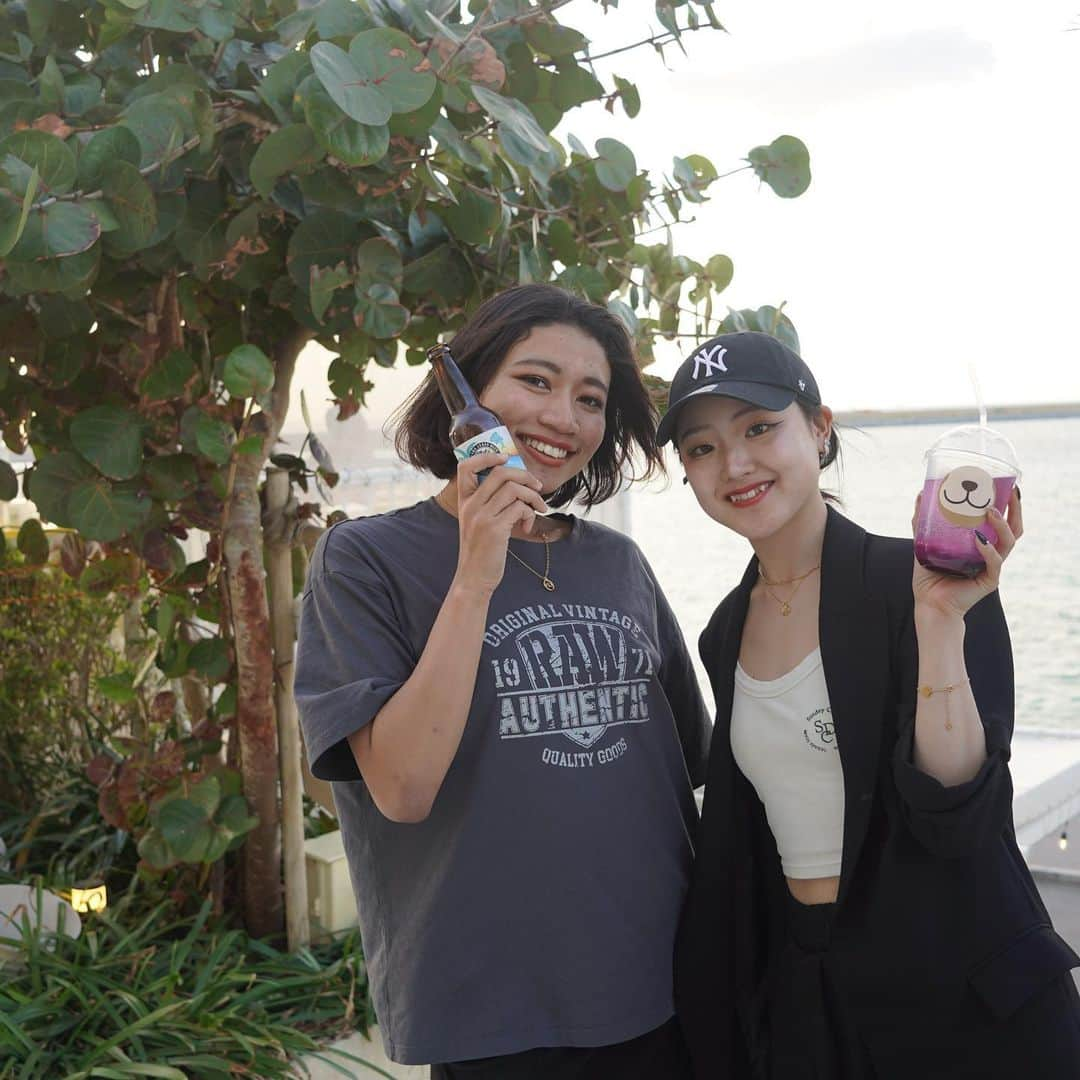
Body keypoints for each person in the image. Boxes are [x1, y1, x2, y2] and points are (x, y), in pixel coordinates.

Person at [294, 284, 710, 1078]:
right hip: (493, 1011)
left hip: (662, 987)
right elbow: (403, 787)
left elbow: (685, 773)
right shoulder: (364, 562)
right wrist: (475, 576)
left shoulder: (617, 563)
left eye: (591, 399)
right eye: (536, 381)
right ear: (468, 394)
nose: (563, 417)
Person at [665, 331, 1080, 1079]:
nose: (735, 464)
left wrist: (940, 624)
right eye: (701, 448)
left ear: (820, 430)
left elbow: (958, 815)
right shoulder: (723, 631)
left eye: (760, 428)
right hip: (813, 996)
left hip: (957, 999)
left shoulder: (924, 584)